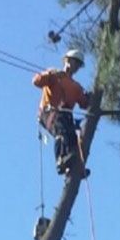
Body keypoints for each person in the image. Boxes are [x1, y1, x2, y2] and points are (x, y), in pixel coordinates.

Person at [33, 49, 91, 177]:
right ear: (67, 60)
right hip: (49, 113)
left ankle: (74, 168)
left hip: (65, 116)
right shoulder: (55, 75)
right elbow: (36, 81)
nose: (76, 67)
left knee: (74, 141)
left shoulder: (76, 87)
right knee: (61, 131)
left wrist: (89, 98)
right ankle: (60, 160)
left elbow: (85, 104)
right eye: (75, 62)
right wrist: (49, 74)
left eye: (78, 65)